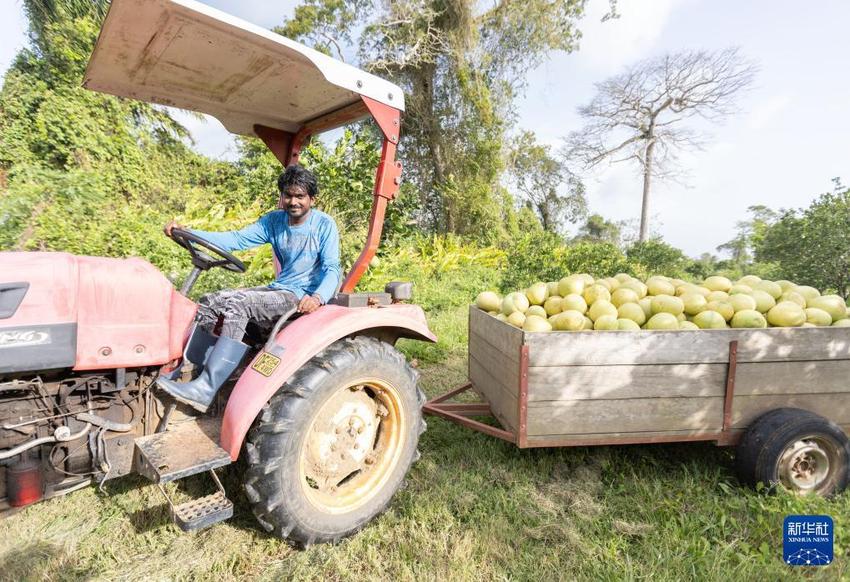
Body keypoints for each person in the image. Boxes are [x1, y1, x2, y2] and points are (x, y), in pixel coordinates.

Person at [157, 164, 341, 412]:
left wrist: (318, 296)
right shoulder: (274, 221)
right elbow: (236, 239)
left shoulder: (324, 225)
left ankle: (207, 387)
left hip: (299, 296)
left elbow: (332, 268)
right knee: (211, 300)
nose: (293, 201)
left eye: (300, 196)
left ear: (311, 199)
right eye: (288, 195)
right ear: (281, 196)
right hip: (280, 287)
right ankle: (188, 373)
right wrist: (189, 232)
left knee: (239, 305)